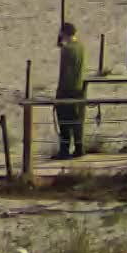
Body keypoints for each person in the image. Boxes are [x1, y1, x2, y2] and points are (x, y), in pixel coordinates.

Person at [55, 22, 87, 160]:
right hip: (78, 88)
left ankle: (64, 150)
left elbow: (64, 73)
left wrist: (59, 93)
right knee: (76, 120)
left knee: (64, 122)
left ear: (63, 33)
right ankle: (79, 148)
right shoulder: (80, 47)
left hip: (66, 89)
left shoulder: (67, 50)